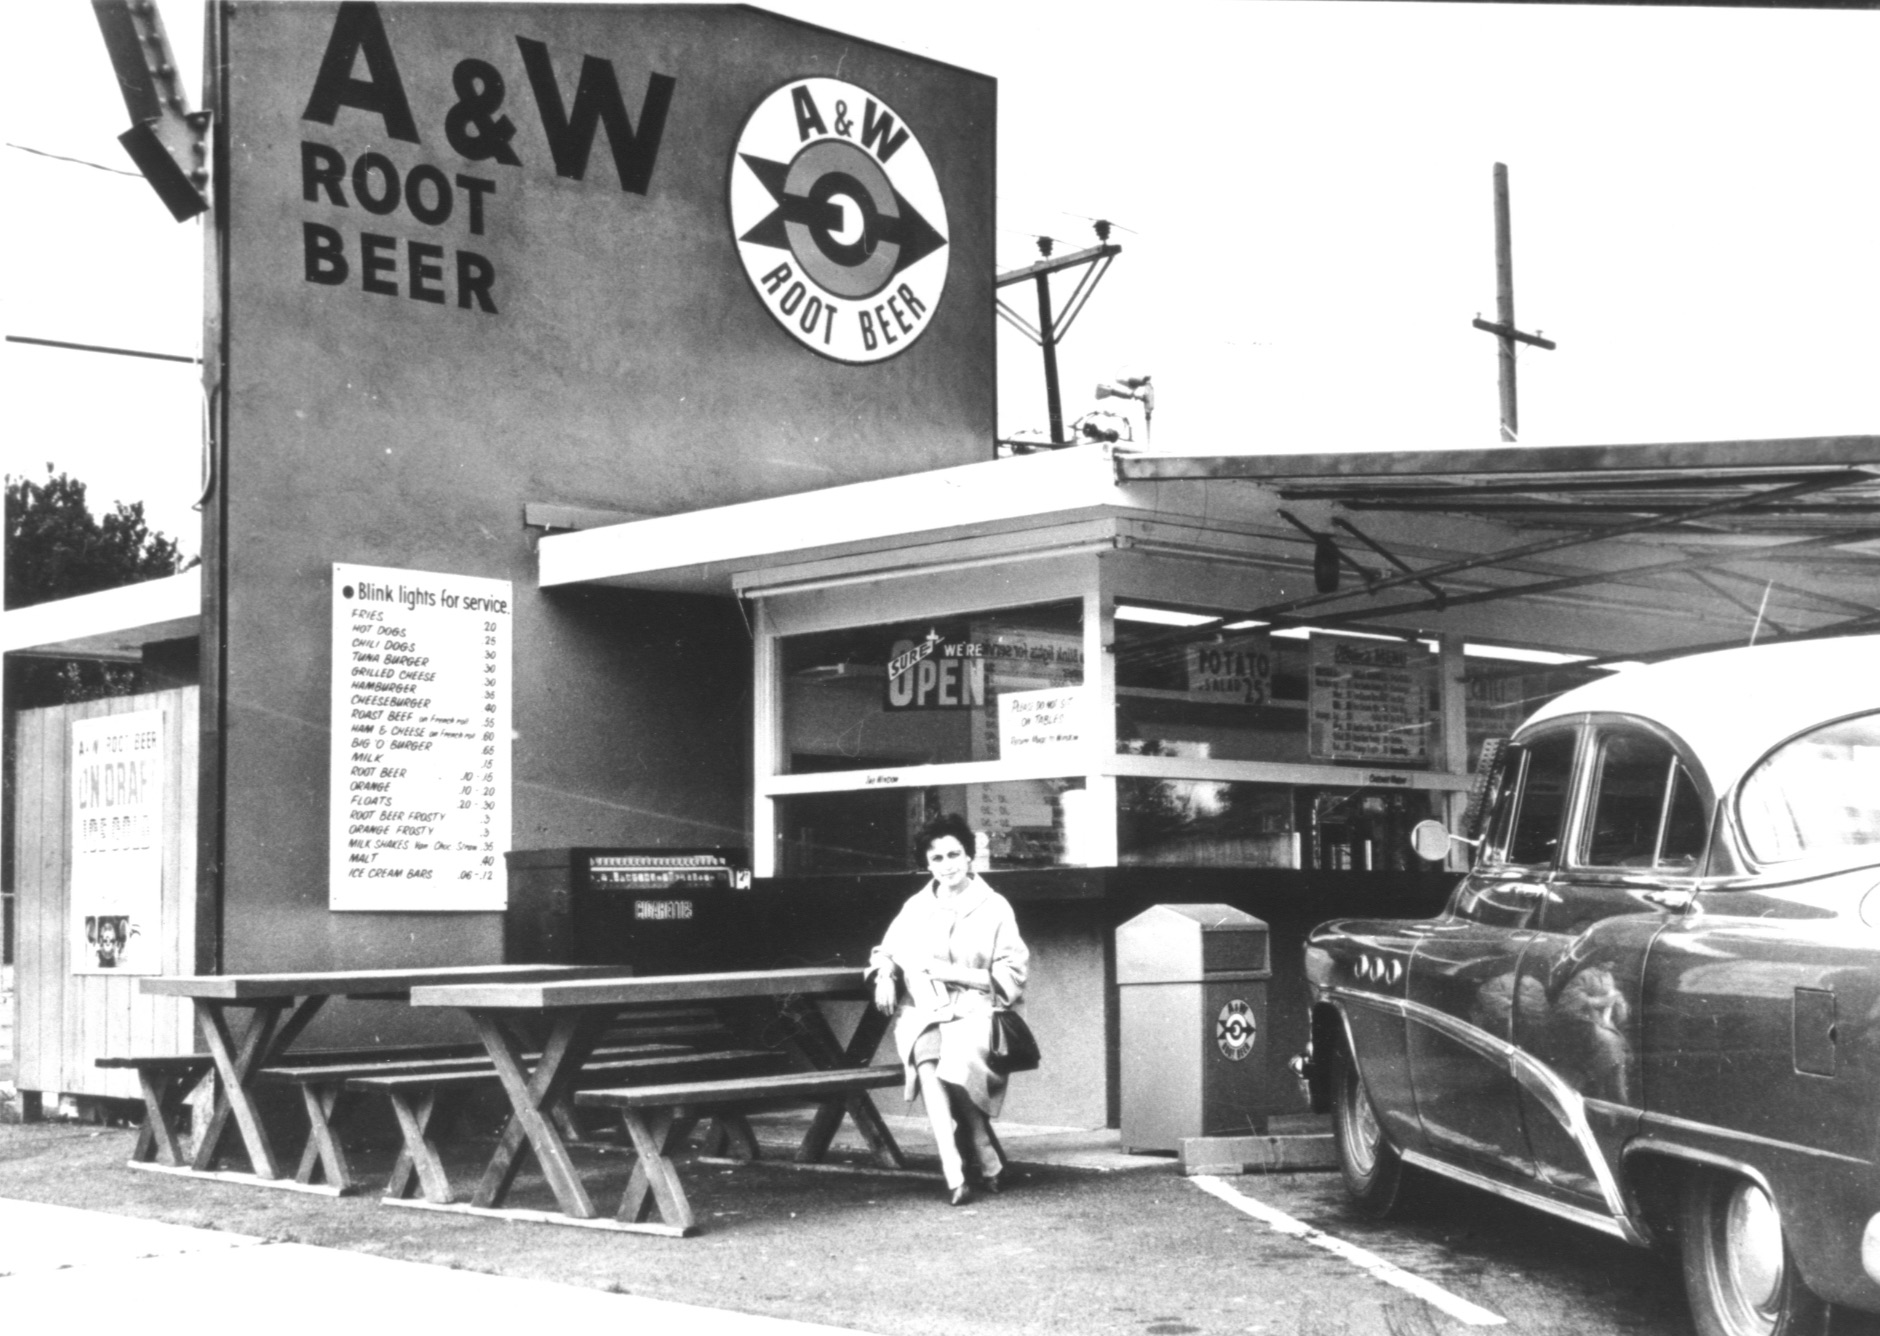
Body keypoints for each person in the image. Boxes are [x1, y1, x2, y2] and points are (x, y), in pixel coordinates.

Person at [866, 812, 1030, 1205]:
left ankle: (978, 1141)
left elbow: (1012, 974)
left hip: (979, 1010)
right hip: (927, 1009)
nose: (947, 865)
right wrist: (886, 973)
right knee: (927, 1056)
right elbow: (886, 949)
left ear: (970, 857)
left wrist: (949, 972)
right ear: (927, 864)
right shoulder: (917, 905)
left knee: (954, 1055)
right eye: (937, 858)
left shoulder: (995, 906)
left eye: (954, 854)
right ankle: (953, 1169)